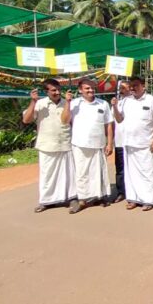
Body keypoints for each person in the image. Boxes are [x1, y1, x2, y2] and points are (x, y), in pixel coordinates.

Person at [22, 79, 77, 213]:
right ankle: (47, 201)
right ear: (46, 91)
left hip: (65, 142)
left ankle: (72, 198)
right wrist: (33, 101)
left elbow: (68, 121)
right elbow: (26, 120)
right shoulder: (40, 104)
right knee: (47, 175)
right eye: (53, 90)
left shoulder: (67, 102)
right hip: (46, 144)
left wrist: (68, 102)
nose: (57, 92)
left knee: (69, 174)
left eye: (58, 90)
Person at [61, 79, 114, 213]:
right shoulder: (74, 103)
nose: (90, 90)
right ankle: (82, 200)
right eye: (87, 88)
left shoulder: (103, 104)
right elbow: (65, 120)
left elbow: (109, 125)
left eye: (92, 88)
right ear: (80, 90)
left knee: (99, 172)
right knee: (82, 173)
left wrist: (109, 143)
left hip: (98, 144)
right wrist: (67, 102)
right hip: (80, 144)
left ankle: (99, 197)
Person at [112, 76, 153, 211]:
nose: (132, 88)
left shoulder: (152, 100)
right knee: (131, 174)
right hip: (129, 143)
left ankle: (149, 200)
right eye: (131, 86)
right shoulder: (126, 101)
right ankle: (133, 199)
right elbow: (119, 119)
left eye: (136, 85)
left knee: (147, 173)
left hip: (145, 144)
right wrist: (115, 106)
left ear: (143, 86)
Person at [112, 80, 130, 203]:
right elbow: (114, 122)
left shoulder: (134, 102)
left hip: (132, 141)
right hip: (119, 141)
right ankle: (121, 192)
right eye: (120, 88)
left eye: (124, 87)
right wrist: (114, 106)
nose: (121, 90)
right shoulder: (116, 103)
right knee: (120, 169)